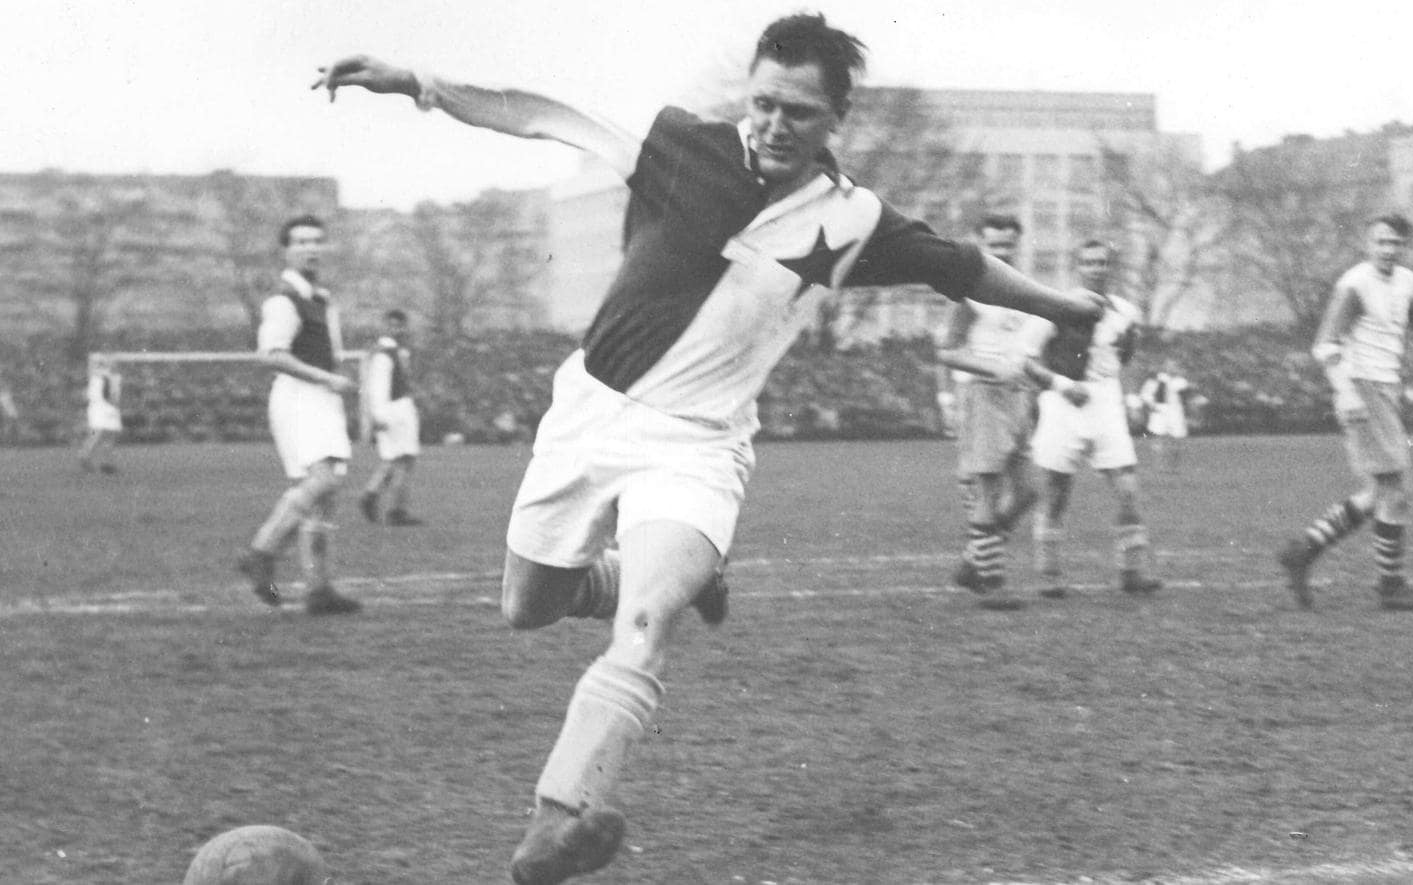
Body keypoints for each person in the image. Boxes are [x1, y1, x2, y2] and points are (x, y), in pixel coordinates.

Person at [314, 14, 1101, 884]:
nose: (774, 125)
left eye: (799, 113)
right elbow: (543, 115)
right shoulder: (681, 146)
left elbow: (960, 267)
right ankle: (677, 576)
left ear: (837, 118)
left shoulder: (854, 219)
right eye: (764, 104)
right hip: (589, 414)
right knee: (529, 606)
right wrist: (417, 82)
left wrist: (1064, 307)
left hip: (697, 444)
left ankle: (556, 819)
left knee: (645, 624)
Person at [1277, 213, 1413, 612]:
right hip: (1362, 387)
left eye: (1395, 242)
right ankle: (1390, 587)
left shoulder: (1407, 282)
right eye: (1380, 241)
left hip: (1385, 390)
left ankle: (1303, 551)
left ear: (1404, 246)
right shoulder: (1355, 284)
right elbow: (1325, 344)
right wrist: (1346, 392)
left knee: (1379, 492)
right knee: (1395, 489)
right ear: (1368, 244)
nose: (1387, 249)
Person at [235, 214, 363, 616]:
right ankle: (263, 550)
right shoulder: (283, 299)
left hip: (320, 399)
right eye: (301, 241)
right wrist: (328, 378)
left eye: (316, 240)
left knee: (326, 496)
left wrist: (332, 382)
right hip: (299, 397)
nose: (311, 248)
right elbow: (271, 355)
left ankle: (318, 589)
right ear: (286, 251)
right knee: (323, 480)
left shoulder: (319, 298)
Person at [1020, 240, 1163, 598]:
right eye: (1089, 262)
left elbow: (1125, 356)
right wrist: (1063, 385)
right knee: (1056, 491)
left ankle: (1131, 571)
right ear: (1078, 266)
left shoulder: (1124, 312)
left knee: (1127, 488)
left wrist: (1128, 396)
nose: (1097, 268)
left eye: (1102, 262)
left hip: (1106, 403)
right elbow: (1026, 361)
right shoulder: (1055, 307)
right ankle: (1050, 574)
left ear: (1110, 267)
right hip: (1063, 403)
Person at [935, 213, 1042, 610]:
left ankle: (973, 559)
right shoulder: (970, 293)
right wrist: (992, 369)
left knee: (1028, 492)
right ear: (981, 244)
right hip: (982, 394)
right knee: (988, 490)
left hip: (1017, 396)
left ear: (1017, 244)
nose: (1001, 251)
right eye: (994, 245)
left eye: (1007, 244)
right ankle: (991, 582)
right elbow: (947, 352)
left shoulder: (1020, 290)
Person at [359, 309, 424, 525]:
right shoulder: (384, 354)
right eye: (392, 326)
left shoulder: (396, 351)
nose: (396, 330)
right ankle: (396, 511)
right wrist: (379, 416)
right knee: (404, 459)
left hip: (400, 408)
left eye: (400, 326)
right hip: (394, 410)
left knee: (397, 459)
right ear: (385, 326)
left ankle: (371, 495)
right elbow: (378, 388)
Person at [1139, 358, 1192, 471]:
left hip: (1176, 412)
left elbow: (1186, 399)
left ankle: (1174, 467)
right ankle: (1158, 466)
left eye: (1174, 365)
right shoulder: (1157, 379)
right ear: (1164, 366)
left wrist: (1187, 413)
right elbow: (1145, 394)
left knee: (1177, 439)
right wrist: (1152, 405)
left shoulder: (1181, 382)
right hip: (1160, 411)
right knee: (1157, 437)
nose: (1171, 368)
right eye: (1169, 365)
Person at [78, 354, 123, 473]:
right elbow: (111, 394)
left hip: (101, 407)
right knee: (101, 434)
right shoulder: (107, 376)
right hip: (105, 407)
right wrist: (113, 403)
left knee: (104, 435)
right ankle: (87, 456)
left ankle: (103, 461)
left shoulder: (101, 376)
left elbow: (87, 394)